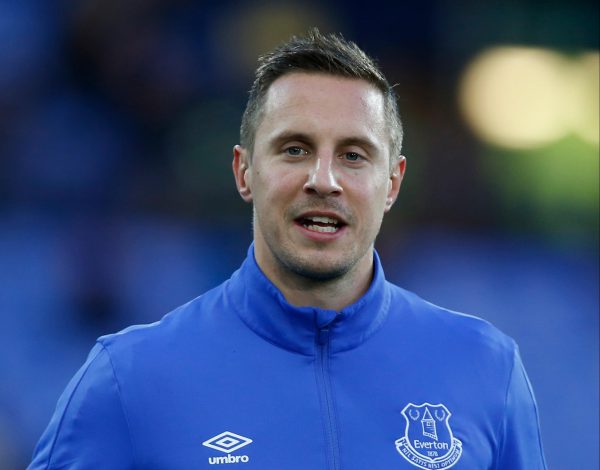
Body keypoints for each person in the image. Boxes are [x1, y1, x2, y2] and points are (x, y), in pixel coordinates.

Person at [28, 29, 547, 470]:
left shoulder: (485, 368)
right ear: (244, 171)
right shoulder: (128, 380)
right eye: (295, 149)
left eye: (353, 155)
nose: (324, 180)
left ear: (392, 184)